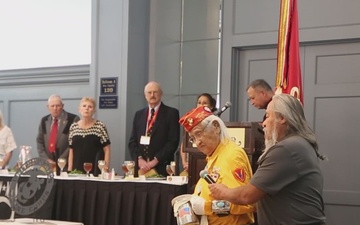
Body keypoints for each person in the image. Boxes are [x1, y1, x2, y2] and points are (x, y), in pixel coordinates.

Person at [209, 94, 326, 225]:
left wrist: (223, 192)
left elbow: (247, 196)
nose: (263, 123)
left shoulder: (286, 149)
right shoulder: (299, 144)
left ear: (282, 118)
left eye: (268, 116)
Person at [178, 106, 255, 225]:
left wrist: (207, 207)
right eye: (193, 138)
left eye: (199, 133)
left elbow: (247, 203)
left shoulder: (231, 155)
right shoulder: (214, 155)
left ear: (216, 127)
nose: (197, 142)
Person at [128, 81, 180, 177]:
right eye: (149, 92)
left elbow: (173, 142)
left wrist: (155, 161)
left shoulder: (171, 113)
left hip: (162, 167)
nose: (152, 95)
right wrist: (139, 159)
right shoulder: (138, 114)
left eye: (155, 92)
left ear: (161, 94)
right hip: (141, 169)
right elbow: (132, 142)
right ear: (145, 95)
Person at [68, 97, 110, 176]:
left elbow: (107, 149)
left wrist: (105, 168)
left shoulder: (100, 126)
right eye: (84, 106)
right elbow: (71, 150)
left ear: (94, 111)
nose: (86, 108)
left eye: (90, 107)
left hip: (95, 170)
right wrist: (70, 170)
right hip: (77, 170)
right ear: (79, 109)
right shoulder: (73, 127)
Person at [36, 95, 79, 170]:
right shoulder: (44, 120)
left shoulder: (73, 119)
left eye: (57, 105)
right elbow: (40, 141)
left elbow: (74, 143)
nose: (55, 108)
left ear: (62, 106)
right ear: (48, 107)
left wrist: (61, 160)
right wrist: (46, 159)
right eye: (52, 106)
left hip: (66, 165)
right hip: (47, 166)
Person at [180, 93, 217, 172]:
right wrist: (184, 162)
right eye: (199, 103)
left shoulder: (215, 123)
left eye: (205, 103)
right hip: (193, 162)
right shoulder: (191, 122)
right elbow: (184, 144)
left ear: (211, 106)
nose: (201, 105)